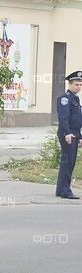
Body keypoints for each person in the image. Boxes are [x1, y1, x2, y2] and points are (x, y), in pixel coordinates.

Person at [55, 70, 82, 199]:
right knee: (68, 161)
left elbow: (77, 119)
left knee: (67, 161)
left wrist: (80, 136)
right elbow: (63, 118)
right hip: (68, 134)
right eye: (76, 84)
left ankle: (60, 189)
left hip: (74, 134)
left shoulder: (75, 99)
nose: (79, 87)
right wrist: (67, 133)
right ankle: (65, 190)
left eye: (80, 85)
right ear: (70, 85)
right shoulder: (64, 99)